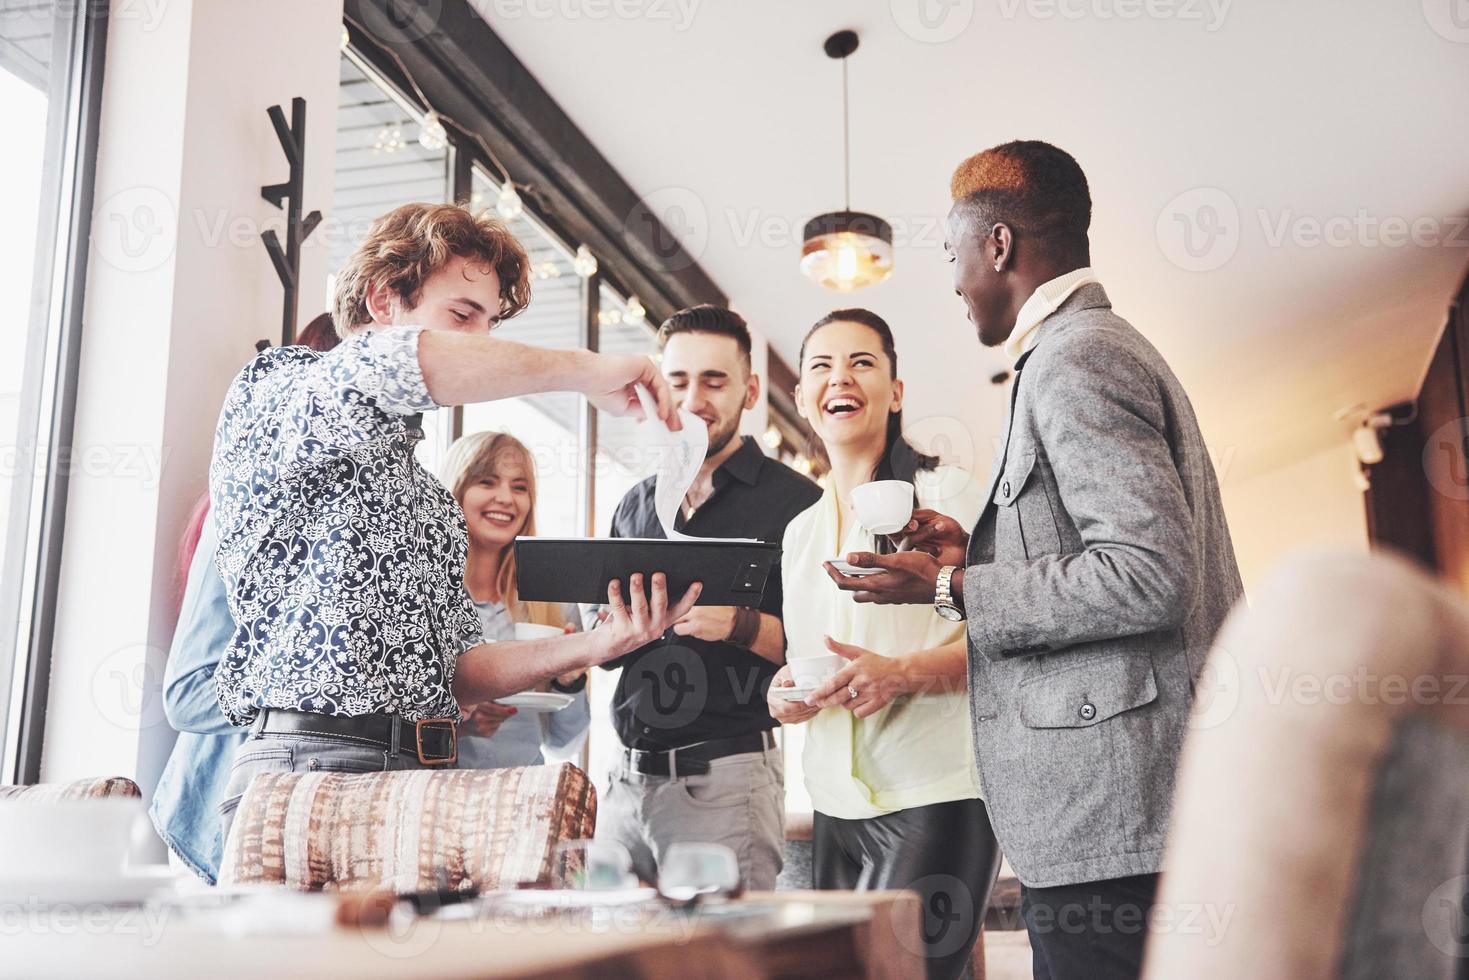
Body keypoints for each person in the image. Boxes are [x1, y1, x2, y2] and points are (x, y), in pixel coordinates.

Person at [825, 141, 1243, 980]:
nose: (951, 281)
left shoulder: (1076, 357)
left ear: (999, 245)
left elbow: (1146, 574)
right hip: (1121, 819)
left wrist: (951, 585)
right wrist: (966, 553)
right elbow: (1100, 553)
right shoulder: (1080, 352)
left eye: (952, 253)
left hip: (1116, 821)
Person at [212, 203, 700, 844]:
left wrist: (596, 645)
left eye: (489, 324)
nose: (479, 342)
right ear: (384, 301)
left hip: (425, 775)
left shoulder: (427, 497)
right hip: (309, 768)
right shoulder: (281, 386)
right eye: (463, 316)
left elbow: (462, 667)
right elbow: (393, 364)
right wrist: (586, 371)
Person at [765, 309, 1000, 980]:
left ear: (895, 392)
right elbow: (810, 656)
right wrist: (783, 694)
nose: (839, 377)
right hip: (832, 803)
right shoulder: (801, 531)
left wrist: (902, 674)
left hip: (936, 795)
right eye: (820, 366)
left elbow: (1009, 636)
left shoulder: (946, 495)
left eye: (861, 363)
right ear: (804, 399)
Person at [597, 305, 821, 890]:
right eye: (678, 381)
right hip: (622, 782)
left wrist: (738, 625)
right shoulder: (634, 504)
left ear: (749, 392)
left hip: (725, 781)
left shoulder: (800, 505)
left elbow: (821, 654)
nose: (694, 399)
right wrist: (604, 635)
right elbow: (608, 650)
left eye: (714, 381)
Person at [150, 313, 339, 883]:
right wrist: (330, 694)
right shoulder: (244, 509)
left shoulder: (359, 520)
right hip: (211, 825)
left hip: (294, 820)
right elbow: (187, 695)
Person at [440, 431, 590, 768]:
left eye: (519, 487)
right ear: (455, 490)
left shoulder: (552, 603)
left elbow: (565, 742)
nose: (506, 498)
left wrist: (572, 682)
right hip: (435, 798)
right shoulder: (421, 596)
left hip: (524, 800)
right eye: (487, 481)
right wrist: (459, 726)